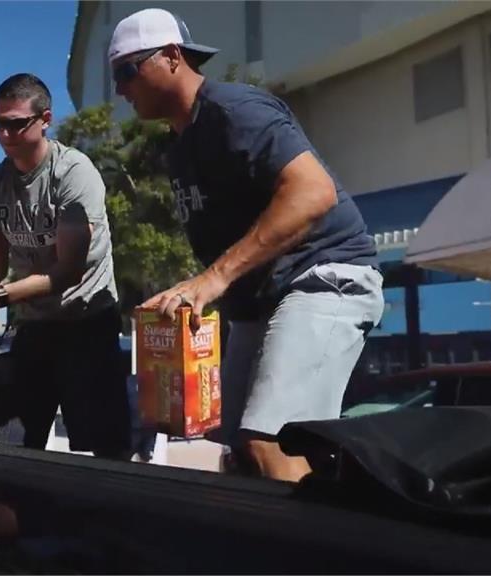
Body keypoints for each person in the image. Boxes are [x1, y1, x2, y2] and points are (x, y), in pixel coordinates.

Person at [108, 9, 385, 481]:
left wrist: (212, 278)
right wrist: (187, 292)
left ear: (173, 57)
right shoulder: (178, 147)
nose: (120, 89)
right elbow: (231, 247)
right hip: (260, 303)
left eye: (126, 71)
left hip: (323, 276)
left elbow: (312, 192)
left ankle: (320, 554)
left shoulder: (235, 110)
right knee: (237, 452)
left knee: (268, 444)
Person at [0, 73, 131, 459]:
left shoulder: (74, 173)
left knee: (107, 454)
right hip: (32, 325)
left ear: (45, 119)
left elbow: (68, 270)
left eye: (16, 123)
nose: (6, 134)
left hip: (87, 320)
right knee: (0, 448)